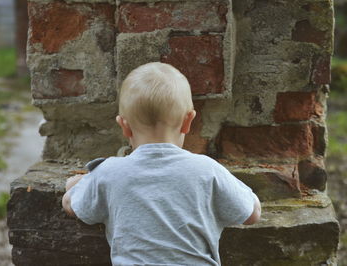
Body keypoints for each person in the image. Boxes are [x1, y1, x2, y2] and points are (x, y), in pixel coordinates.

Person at [62, 62, 261, 265]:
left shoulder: (109, 172)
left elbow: (72, 205)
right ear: (188, 121)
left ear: (124, 126)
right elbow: (252, 214)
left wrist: (75, 185)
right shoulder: (206, 169)